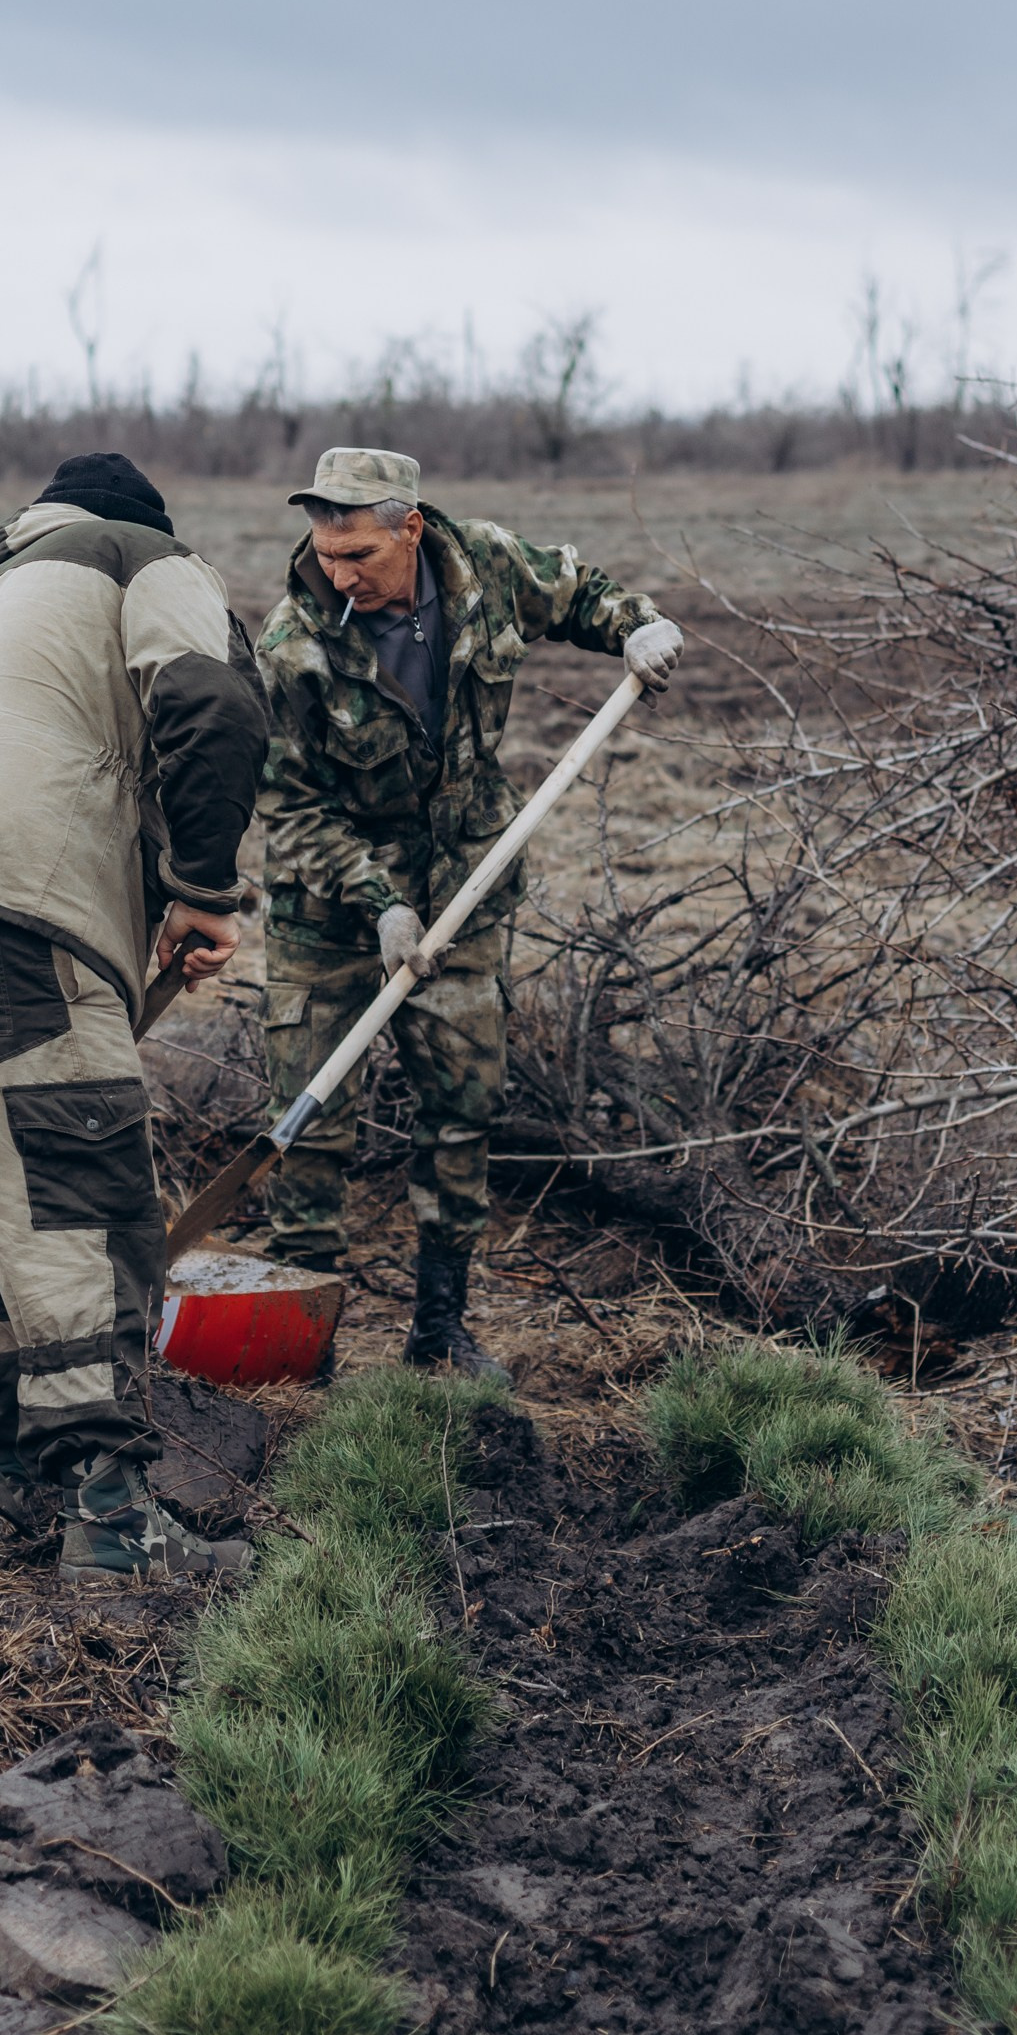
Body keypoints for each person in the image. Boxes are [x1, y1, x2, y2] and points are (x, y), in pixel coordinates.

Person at [0, 450, 269, 1583]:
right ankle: (115, 1525)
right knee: (77, 1197)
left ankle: (1, 1480)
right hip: (8, 907)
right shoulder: (144, 558)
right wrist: (207, 890)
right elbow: (208, 703)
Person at [253, 447, 683, 1378]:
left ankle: (440, 1330)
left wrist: (637, 628)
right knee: (309, 1128)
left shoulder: (485, 565)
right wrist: (378, 903)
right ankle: (302, 1350)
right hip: (328, 917)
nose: (341, 574)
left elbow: (578, 591)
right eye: (326, 554)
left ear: (412, 528)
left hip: (466, 889)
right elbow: (288, 808)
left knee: (461, 1111)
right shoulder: (294, 644)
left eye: (360, 554)